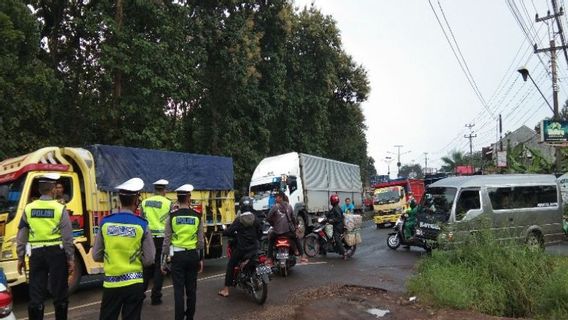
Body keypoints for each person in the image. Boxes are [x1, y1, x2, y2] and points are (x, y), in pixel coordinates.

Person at [92, 177, 155, 320]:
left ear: (120, 200)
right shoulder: (142, 225)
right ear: (136, 201)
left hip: (111, 284)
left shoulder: (105, 223)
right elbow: (149, 259)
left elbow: (96, 255)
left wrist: (113, 258)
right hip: (134, 283)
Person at [17, 173, 75, 320]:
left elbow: (22, 235)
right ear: (53, 189)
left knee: (36, 294)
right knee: (60, 293)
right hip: (56, 253)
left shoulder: (29, 208)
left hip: (36, 254)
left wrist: (20, 256)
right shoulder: (60, 208)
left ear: (40, 189)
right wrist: (71, 258)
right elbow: (67, 237)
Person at [161, 184, 204, 320]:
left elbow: (166, 241)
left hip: (177, 257)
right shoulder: (197, 216)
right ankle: (190, 317)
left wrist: (163, 261)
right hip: (192, 256)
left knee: (178, 291)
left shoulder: (172, 217)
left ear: (178, 199)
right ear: (189, 198)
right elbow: (201, 241)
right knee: (191, 290)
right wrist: (200, 259)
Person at [218, 196, 262, 297]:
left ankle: (226, 290)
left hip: (242, 249)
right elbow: (260, 232)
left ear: (241, 207)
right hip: (254, 248)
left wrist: (223, 232)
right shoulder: (255, 219)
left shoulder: (239, 220)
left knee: (231, 265)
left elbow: (229, 231)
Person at [141, 179, 172, 305]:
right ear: (164, 190)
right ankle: (156, 297)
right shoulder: (168, 203)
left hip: (147, 238)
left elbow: (142, 221)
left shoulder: (144, 202)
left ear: (154, 189)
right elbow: (170, 223)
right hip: (161, 239)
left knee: (146, 267)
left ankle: (140, 294)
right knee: (160, 267)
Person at [265, 192, 307, 266]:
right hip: (287, 232)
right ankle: (302, 256)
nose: (275, 198)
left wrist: (273, 224)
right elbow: (293, 219)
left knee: (271, 239)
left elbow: (268, 218)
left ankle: (269, 259)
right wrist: (296, 227)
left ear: (281, 198)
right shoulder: (289, 206)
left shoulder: (275, 207)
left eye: (277, 197)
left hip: (277, 233)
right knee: (296, 238)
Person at [326, 194, 347, 259]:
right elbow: (329, 213)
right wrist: (324, 214)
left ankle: (344, 253)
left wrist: (332, 220)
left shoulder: (336, 208)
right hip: (335, 225)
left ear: (333, 201)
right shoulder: (334, 208)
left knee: (337, 239)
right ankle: (323, 250)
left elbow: (339, 218)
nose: (331, 202)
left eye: (331, 201)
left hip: (338, 226)